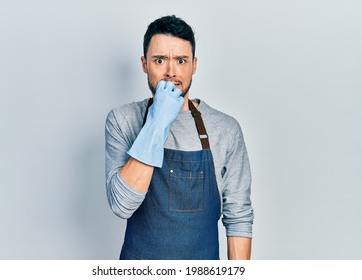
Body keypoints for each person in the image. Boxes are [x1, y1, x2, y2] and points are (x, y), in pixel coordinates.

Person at [105, 15, 254, 260]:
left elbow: (239, 216)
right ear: (144, 64)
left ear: (194, 65)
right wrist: (158, 121)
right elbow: (122, 204)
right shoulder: (122, 120)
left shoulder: (225, 129)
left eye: (181, 60)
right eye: (160, 60)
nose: (171, 72)